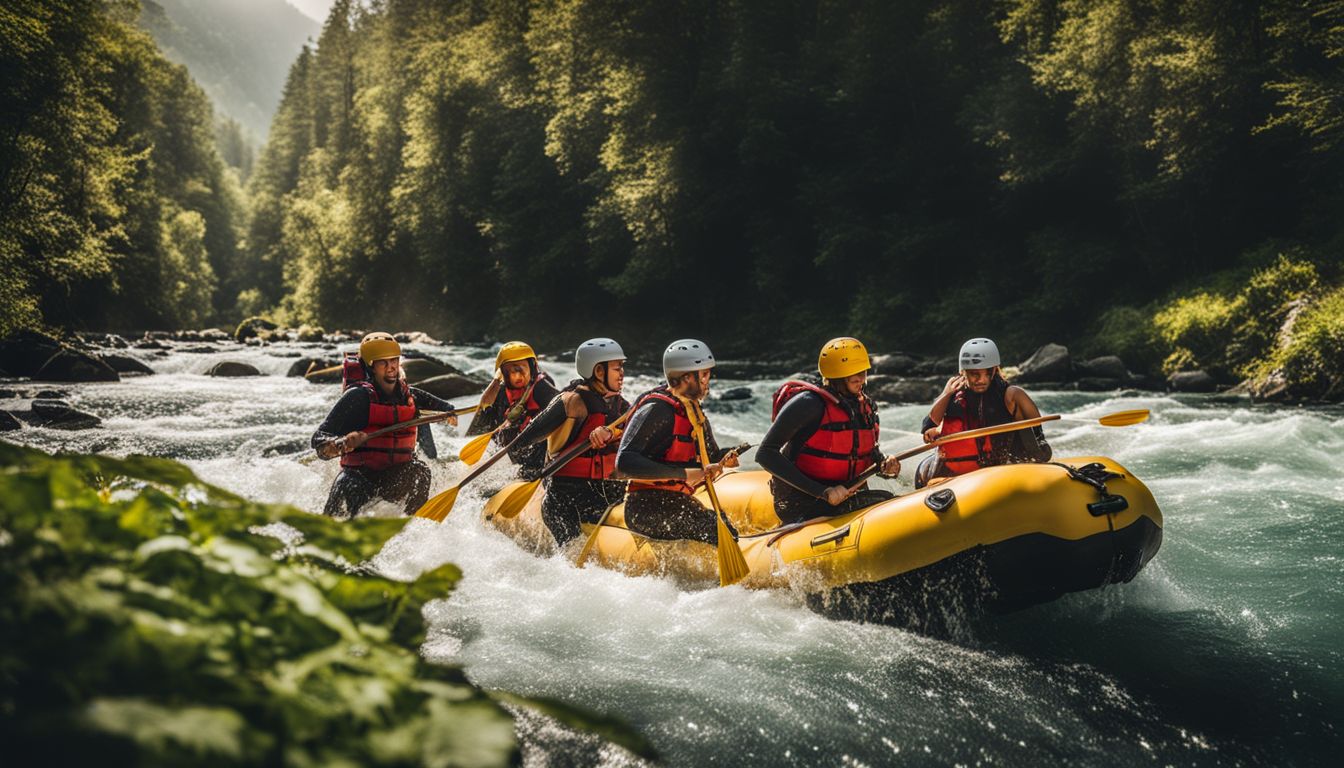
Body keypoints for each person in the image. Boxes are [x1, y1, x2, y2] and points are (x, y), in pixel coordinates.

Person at [312, 332, 460, 518]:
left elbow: (442, 405)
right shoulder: (357, 397)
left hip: (394, 475)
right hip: (361, 475)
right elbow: (319, 438)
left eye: (394, 361)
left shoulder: (410, 395)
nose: (391, 367)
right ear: (371, 366)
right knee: (346, 483)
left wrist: (450, 412)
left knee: (421, 472)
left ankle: (412, 526)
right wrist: (340, 443)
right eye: (383, 362)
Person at [757, 337, 902, 525]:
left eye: (863, 372)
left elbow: (861, 452)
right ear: (837, 376)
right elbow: (765, 454)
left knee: (887, 500)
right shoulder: (809, 404)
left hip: (846, 496)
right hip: (801, 501)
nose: (862, 379)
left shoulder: (863, 406)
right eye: (854, 374)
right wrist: (822, 492)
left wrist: (883, 464)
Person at [615, 339, 741, 545]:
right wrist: (683, 474)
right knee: (716, 528)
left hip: (676, 501)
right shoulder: (656, 410)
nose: (708, 380)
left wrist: (725, 458)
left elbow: (710, 456)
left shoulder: (693, 412)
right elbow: (625, 463)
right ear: (686, 377)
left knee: (723, 524)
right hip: (644, 507)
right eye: (704, 374)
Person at [512, 338, 630, 546]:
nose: (622, 373)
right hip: (566, 494)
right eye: (617, 367)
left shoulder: (621, 407)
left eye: (622, 367)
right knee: (570, 542)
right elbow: (529, 437)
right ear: (599, 371)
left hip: (607, 489)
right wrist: (514, 450)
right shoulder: (569, 402)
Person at [914, 337, 1052, 488]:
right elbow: (927, 426)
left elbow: (1036, 422)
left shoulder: (1009, 394)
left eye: (988, 373)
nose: (982, 380)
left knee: (1015, 395)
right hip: (954, 471)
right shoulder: (954, 393)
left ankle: (1032, 461)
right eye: (975, 374)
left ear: (995, 370)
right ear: (963, 372)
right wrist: (946, 394)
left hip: (999, 465)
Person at [464, 341, 559, 478]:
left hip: (537, 449)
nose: (516, 376)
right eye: (509, 372)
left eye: (520, 369)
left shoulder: (543, 389)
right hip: (512, 446)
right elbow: (484, 406)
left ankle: (530, 473)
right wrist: (496, 379)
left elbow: (560, 415)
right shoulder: (502, 390)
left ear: (532, 367)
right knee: (492, 423)